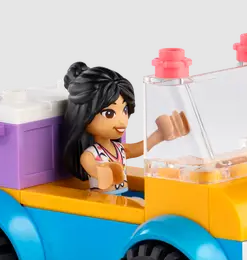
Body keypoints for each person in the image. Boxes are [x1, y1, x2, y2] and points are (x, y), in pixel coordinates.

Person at [62, 62, 188, 195]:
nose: (122, 121)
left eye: (125, 110)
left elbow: (139, 148)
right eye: (109, 113)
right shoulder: (91, 154)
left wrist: (159, 135)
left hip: (121, 197)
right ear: (84, 116)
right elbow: (93, 168)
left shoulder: (118, 148)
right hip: (102, 199)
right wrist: (104, 170)